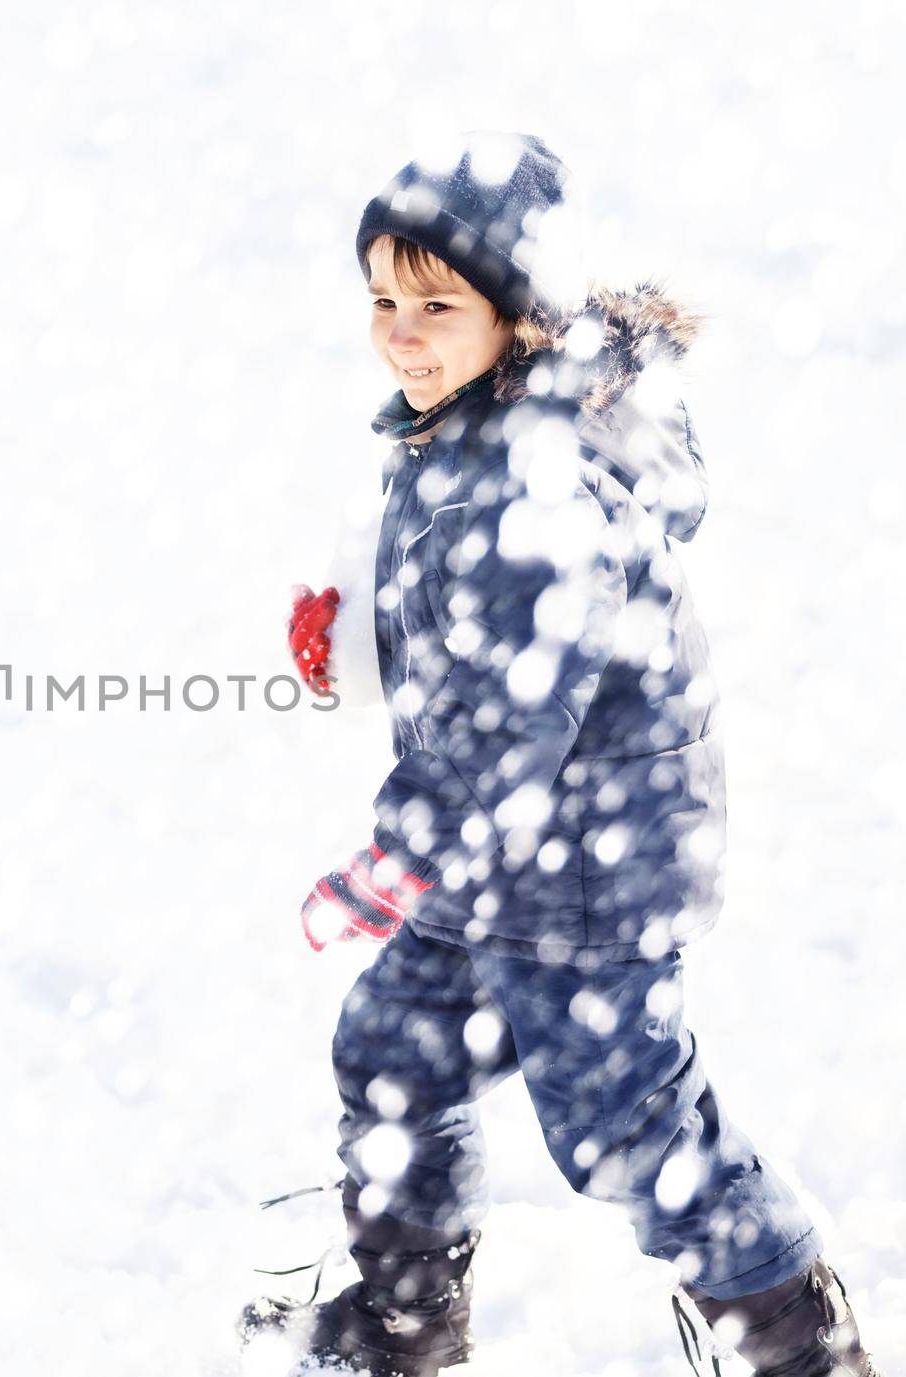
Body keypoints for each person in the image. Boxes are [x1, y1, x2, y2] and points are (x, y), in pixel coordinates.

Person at [245, 133, 884, 1377]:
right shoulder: (466, 433)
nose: (400, 332)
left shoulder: (534, 491)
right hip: (492, 860)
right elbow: (464, 642)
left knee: (621, 1124)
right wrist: (355, 627)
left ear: (517, 315)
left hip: (584, 877)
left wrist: (399, 858)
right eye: (383, 299)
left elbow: (509, 718)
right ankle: (403, 1319)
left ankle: (799, 1343)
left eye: (437, 304)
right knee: (394, 1054)